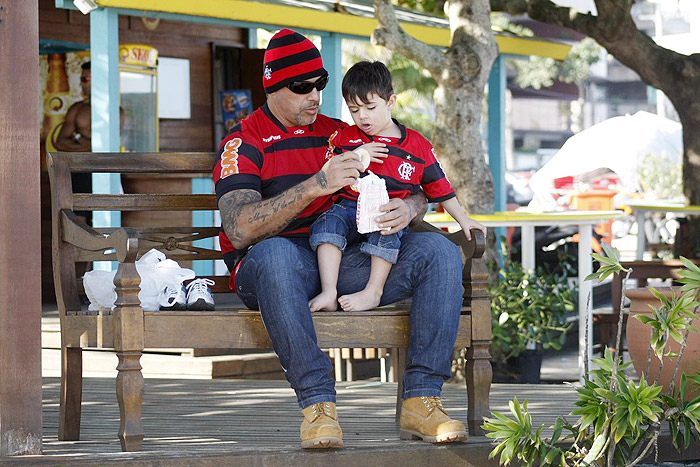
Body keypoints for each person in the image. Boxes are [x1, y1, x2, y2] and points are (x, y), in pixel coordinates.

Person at [213, 28, 470, 449]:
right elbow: (239, 228)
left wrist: (411, 208)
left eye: (320, 85)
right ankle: (318, 406)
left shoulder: (345, 133)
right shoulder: (245, 141)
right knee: (276, 253)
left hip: (339, 261)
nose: (314, 96)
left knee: (438, 250)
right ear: (272, 86)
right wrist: (316, 184)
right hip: (272, 268)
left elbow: (414, 173)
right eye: (301, 88)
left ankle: (422, 400)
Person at [308, 61, 487, 313]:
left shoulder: (417, 145)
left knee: (388, 227)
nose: (363, 116)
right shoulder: (346, 137)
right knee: (327, 223)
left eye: (370, 107)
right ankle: (329, 291)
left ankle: (373, 291)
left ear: (390, 102)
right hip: (348, 207)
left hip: (387, 211)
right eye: (354, 110)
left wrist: (463, 220)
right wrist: (358, 154)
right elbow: (328, 172)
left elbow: (440, 187)